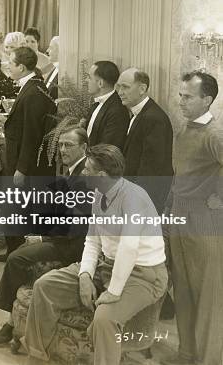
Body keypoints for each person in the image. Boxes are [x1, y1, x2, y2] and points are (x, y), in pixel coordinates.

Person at [19, 144, 168, 365]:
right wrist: (85, 275)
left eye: (87, 170)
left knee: (104, 320)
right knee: (44, 285)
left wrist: (114, 291)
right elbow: (92, 240)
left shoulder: (134, 198)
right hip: (105, 265)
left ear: (100, 175)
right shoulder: (99, 193)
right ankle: (37, 356)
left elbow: (129, 248)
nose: (83, 173)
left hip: (143, 274)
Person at [0, 125, 89, 346]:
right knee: (21, 248)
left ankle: (11, 324)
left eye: (69, 145)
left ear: (84, 147)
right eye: (61, 144)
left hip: (74, 245)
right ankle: (14, 321)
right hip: (65, 237)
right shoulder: (73, 170)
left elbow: (77, 224)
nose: (63, 150)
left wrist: (43, 238)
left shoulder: (84, 175)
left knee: (16, 258)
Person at [163, 71, 223, 365]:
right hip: (179, 216)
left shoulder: (215, 134)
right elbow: (179, 176)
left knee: (207, 293)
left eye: (187, 96)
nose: (181, 101)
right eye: (181, 95)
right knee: (182, 288)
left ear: (207, 100)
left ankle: (207, 358)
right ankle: (186, 353)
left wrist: (220, 199)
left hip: (204, 222)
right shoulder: (184, 130)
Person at [0, 47, 56, 260]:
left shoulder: (33, 92)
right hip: (20, 162)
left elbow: (32, 134)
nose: (8, 67)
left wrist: (21, 169)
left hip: (26, 166)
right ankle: (13, 252)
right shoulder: (33, 87)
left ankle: (17, 255)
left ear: (21, 67)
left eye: (11, 64)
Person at [116, 68, 173, 213]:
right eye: (119, 87)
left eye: (125, 87)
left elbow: (151, 168)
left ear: (142, 89)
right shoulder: (140, 113)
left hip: (145, 197)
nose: (120, 92)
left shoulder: (153, 118)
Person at [85, 61, 129, 150]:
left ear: (100, 83)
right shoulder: (96, 104)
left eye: (89, 77)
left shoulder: (118, 111)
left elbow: (107, 148)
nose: (86, 80)